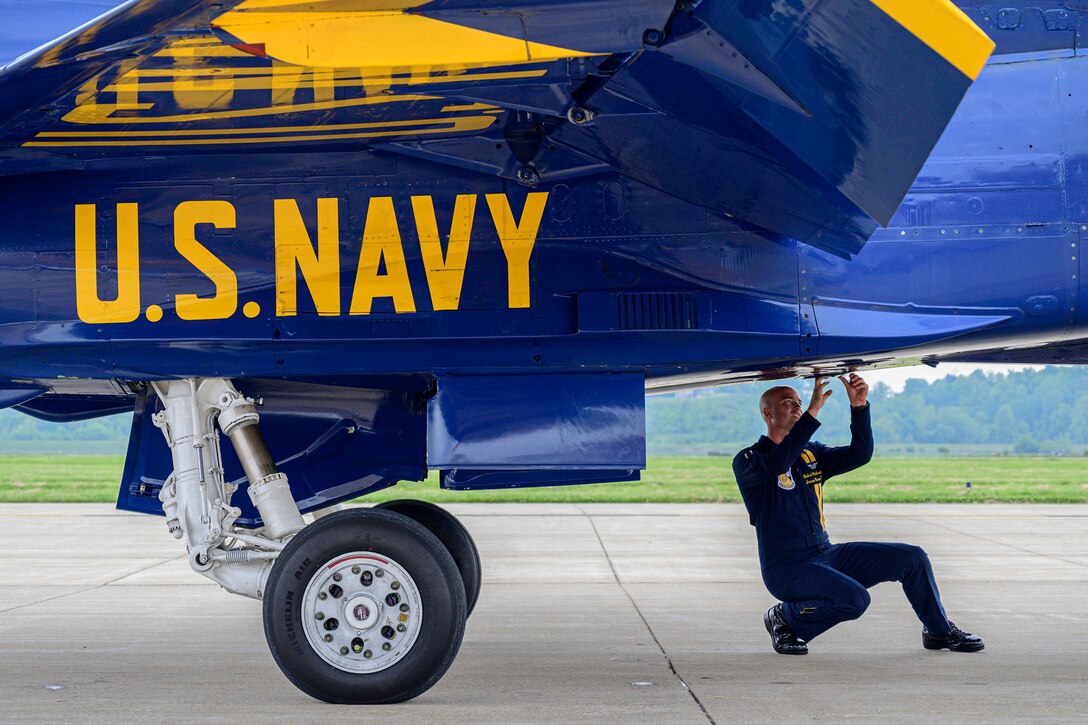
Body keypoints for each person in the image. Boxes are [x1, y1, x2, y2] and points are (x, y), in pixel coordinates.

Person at [732, 374, 983, 655]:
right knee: (854, 599)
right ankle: (785, 618)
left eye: (800, 402)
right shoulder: (749, 460)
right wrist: (814, 411)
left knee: (913, 558)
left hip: (825, 553)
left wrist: (859, 407)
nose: (797, 406)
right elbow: (779, 462)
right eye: (788, 402)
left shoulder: (810, 453)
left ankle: (939, 631)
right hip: (786, 567)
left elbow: (860, 454)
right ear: (768, 413)